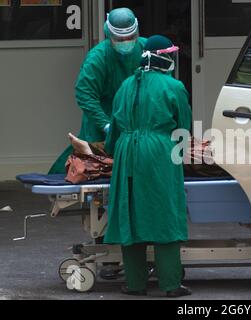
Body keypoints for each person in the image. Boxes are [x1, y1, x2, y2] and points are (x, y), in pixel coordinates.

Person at [97, 35, 192, 297]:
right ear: (164, 57)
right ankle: (171, 285)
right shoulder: (174, 87)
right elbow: (182, 129)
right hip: (160, 151)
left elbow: (113, 134)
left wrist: (117, 150)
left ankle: (136, 284)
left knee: (131, 214)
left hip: (127, 152)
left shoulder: (126, 86)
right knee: (164, 213)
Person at [49, 7, 147, 174]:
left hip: (137, 118)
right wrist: (107, 125)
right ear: (109, 34)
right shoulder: (98, 58)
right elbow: (85, 94)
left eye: (129, 38)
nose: (125, 42)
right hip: (102, 119)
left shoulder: (146, 49)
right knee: (94, 162)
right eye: (119, 39)